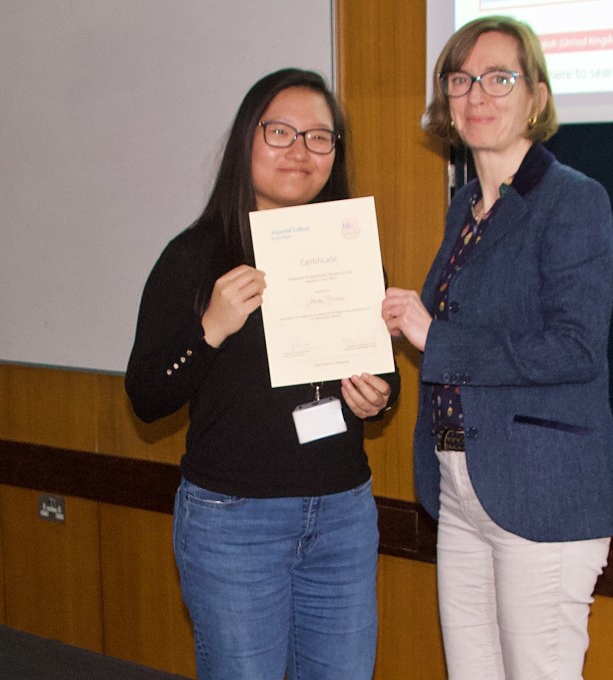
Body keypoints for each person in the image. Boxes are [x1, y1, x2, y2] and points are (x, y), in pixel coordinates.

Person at [382, 16, 613, 680]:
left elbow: (574, 348)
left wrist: (435, 335)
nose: (477, 95)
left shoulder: (574, 201)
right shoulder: (465, 206)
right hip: (462, 490)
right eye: (460, 80)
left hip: (543, 495)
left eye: (500, 78)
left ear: (537, 98)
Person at [125, 68, 399, 680]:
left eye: (320, 137)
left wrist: (376, 398)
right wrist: (213, 327)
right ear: (248, 138)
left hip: (342, 514)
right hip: (234, 522)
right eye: (281, 133)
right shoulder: (194, 256)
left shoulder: (349, 250)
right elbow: (146, 396)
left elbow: (382, 377)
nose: (300, 151)